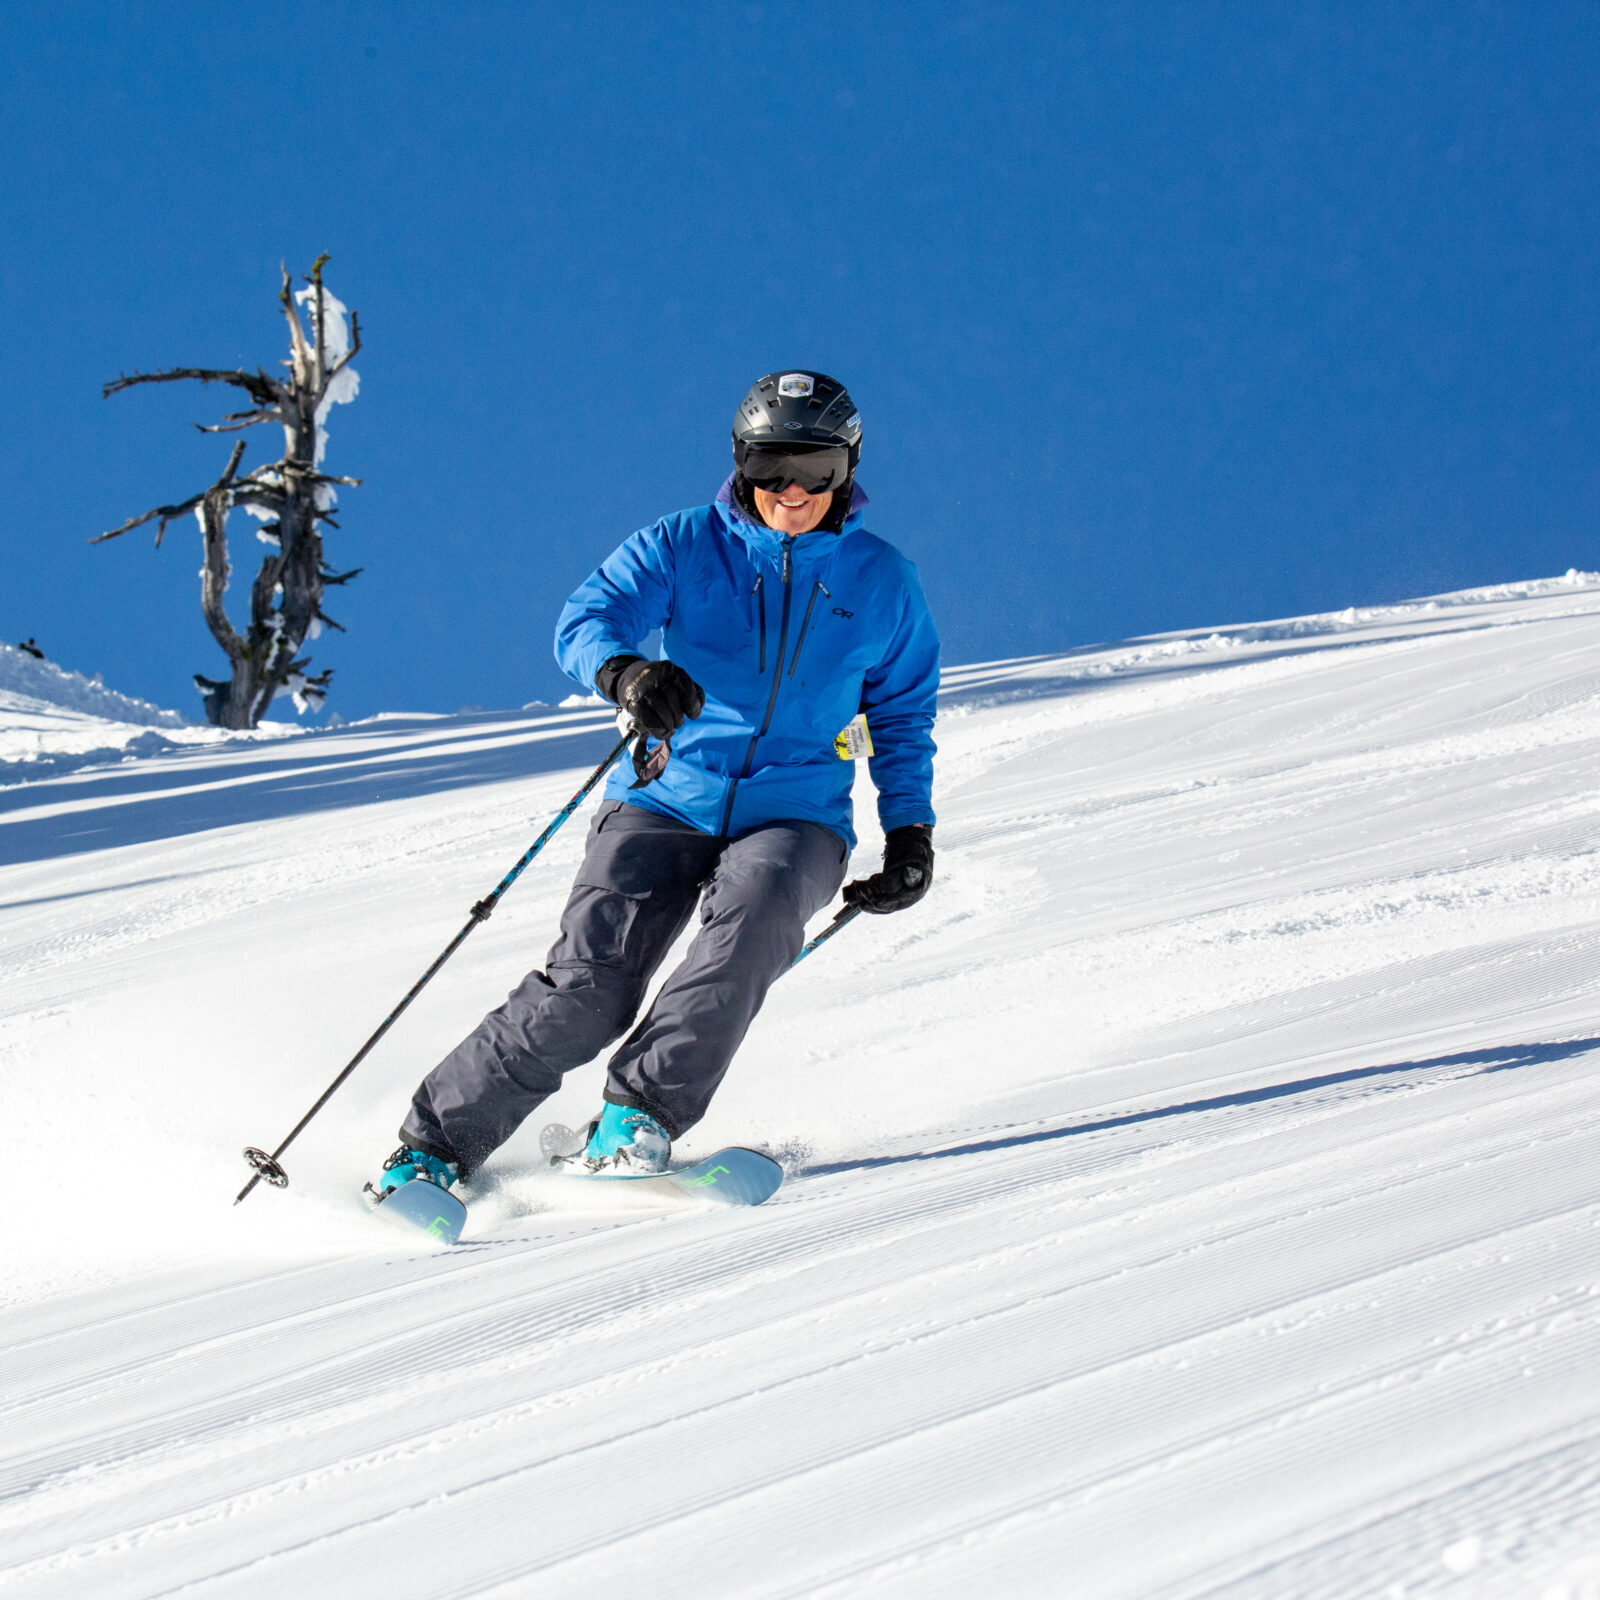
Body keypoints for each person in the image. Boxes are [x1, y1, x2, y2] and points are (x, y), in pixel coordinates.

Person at [370, 370, 940, 1195]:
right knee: (590, 989)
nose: (790, 489)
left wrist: (912, 831)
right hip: (666, 794)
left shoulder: (883, 580)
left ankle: (636, 1119)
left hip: (797, 809)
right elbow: (586, 619)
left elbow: (902, 715)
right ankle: (430, 1153)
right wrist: (628, 674)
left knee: (750, 931)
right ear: (739, 461)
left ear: (847, 470)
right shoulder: (681, 543)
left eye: (814, 469)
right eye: (768, 463)